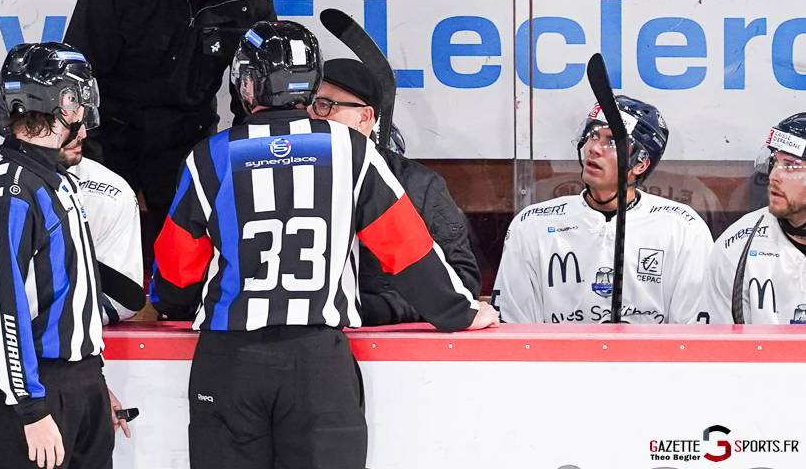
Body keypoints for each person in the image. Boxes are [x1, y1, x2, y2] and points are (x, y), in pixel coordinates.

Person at [151, 21, 499, 469]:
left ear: (247, 84)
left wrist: (173, 305)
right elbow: (406, 248)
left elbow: (176, 266)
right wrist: (460, 311)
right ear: (311, 83)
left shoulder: (211, 155)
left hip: (229, 361)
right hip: (317, 362)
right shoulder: (350, 149)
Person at [64, 0, 276, 234]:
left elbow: (253, 104)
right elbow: (77, 83)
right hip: (110, 146)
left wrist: (238, 172)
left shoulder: (252, 3)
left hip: (188, 150)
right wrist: (98, 173)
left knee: (184, 262)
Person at [0, 43, 124, 469]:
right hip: (31, 393)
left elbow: (73, 294)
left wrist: (92, 384)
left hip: (79, 386)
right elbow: (2, 306)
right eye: (79, 105)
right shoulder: (8, 193)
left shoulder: (60, 182)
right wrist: (30, 407)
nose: (85, 125)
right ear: (63, 104)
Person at [0, 52, 145, 325]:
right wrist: (16, 277)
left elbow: (122, 301)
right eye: (69, 119)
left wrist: (17, 291)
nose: (83, 133)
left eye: (83, 118)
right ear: (32, 119)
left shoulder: (110, 193)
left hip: (70, 350)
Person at [492, 96, 713, 324]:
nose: (595, 148)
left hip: (650, 350)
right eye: (593, 135)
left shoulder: (684, 229)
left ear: (641, 163)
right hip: (559, 350)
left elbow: (693, 331)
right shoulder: (532, 225)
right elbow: (514, 323)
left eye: (612, 141)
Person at [306, 57, 481, 325]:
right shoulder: (282, 175)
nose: (310, 114)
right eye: (306, 104)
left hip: (388, 343)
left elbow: (462, 283)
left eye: (323, 105)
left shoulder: (418, 184)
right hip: (305, 336)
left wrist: (381, 309)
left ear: (364, 118)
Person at [703, 113, 806, 324]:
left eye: (790, 166)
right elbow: (719, 339)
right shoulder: (736, 243)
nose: (773, 176)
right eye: (774, 162)